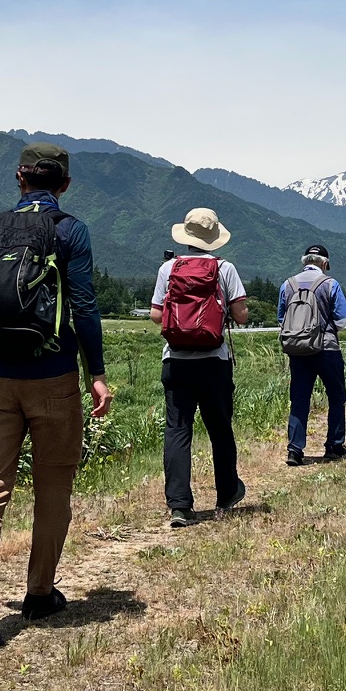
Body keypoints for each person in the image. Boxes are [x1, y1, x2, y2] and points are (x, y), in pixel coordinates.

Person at [0, 143, 112, 655]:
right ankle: (40, 594)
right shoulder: (71, 231)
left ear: (19, 178)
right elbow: (84, 306)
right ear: (64, 184)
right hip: (53, 375)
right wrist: (96, 373)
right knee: (52, 487)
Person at [151, 209, 249, 529]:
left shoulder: (169, 268)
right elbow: (241, 314)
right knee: (219, 428)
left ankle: (180, 506)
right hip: (213, 361)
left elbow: (156, 315)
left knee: (177, 430)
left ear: (186, 237)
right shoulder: (225, 268)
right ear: (214, 238)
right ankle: (227, 493)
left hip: (175, 361)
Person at [279, 244, 346, 465]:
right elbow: (342, 320)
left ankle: (295, 450)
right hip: (326, 348)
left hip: (297, 350)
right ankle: (334, 446)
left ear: (304, 261)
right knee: (336, 397)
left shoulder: (287, 284)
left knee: (299, 399)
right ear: (325, 263)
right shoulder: (330, 284)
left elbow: (282, 319)